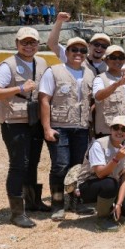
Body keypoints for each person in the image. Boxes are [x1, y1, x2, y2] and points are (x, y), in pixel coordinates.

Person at [0, 26, 52, 227]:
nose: (28, 46)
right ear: (16, 44)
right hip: (14, 122)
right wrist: (20, 88)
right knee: (18, 165)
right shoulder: (8, 66)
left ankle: (33, 201)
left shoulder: (42, 62)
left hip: (34, 119)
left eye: (32, 42)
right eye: (24, 42)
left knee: (33, 163)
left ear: (38, 44)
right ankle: (16, 212)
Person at [40, 36, 96, 219]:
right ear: (67, 52)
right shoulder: (54, 71)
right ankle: (57, 203)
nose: (78, 54)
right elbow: (44, 100)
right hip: (60, 126)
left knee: (77, 167)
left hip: (80, 127)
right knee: (60, 166)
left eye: (82, 51)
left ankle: (75, 202)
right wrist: (47, 128)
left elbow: (90, 101)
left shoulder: (89, 73)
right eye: (74, 50)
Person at [75, 114, 125, 230]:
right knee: (109, 183)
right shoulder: (99, 144)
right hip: (89, 185)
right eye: (116, 127)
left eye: (124, 129)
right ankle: (102, 218)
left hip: (113, 184)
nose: (119, 131)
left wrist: (119, 204)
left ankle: (112, 206)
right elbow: (100, 174)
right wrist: (116, 158)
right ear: (111, 129)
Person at [92, 45, 125, 137]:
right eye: (113, 57)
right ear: (106, 60)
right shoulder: (100, 79)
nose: (117, 61)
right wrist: (117, 84)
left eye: (121, 58)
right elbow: (98, 97)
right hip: (110, 130)